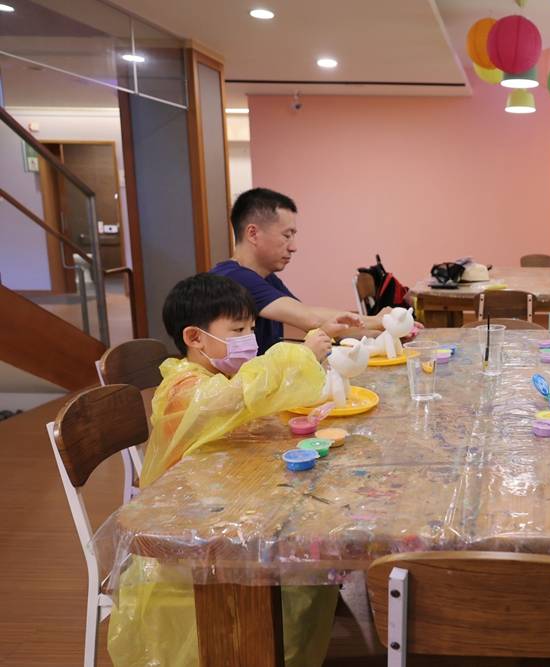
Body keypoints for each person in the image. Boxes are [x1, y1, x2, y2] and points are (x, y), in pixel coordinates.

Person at [108, 272, 338, 667]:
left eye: (251, 328)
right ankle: (262, 646)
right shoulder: (182, 389)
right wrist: (300, 355)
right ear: (195, 338)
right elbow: (235, 398)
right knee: (307, 552)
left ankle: (283, 646)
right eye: (237, 330)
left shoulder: (216, 373)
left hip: (220, 504)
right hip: (188, 536)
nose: (249, 339)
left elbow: (250, 399)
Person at [212, 187, 391, 353]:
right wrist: (379, 321)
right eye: (286, 235)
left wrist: (383, 333)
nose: (293, 247)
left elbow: (322, 325)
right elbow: (311, 318)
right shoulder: (233, 278)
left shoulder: (266, 278)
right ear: (252, 234)